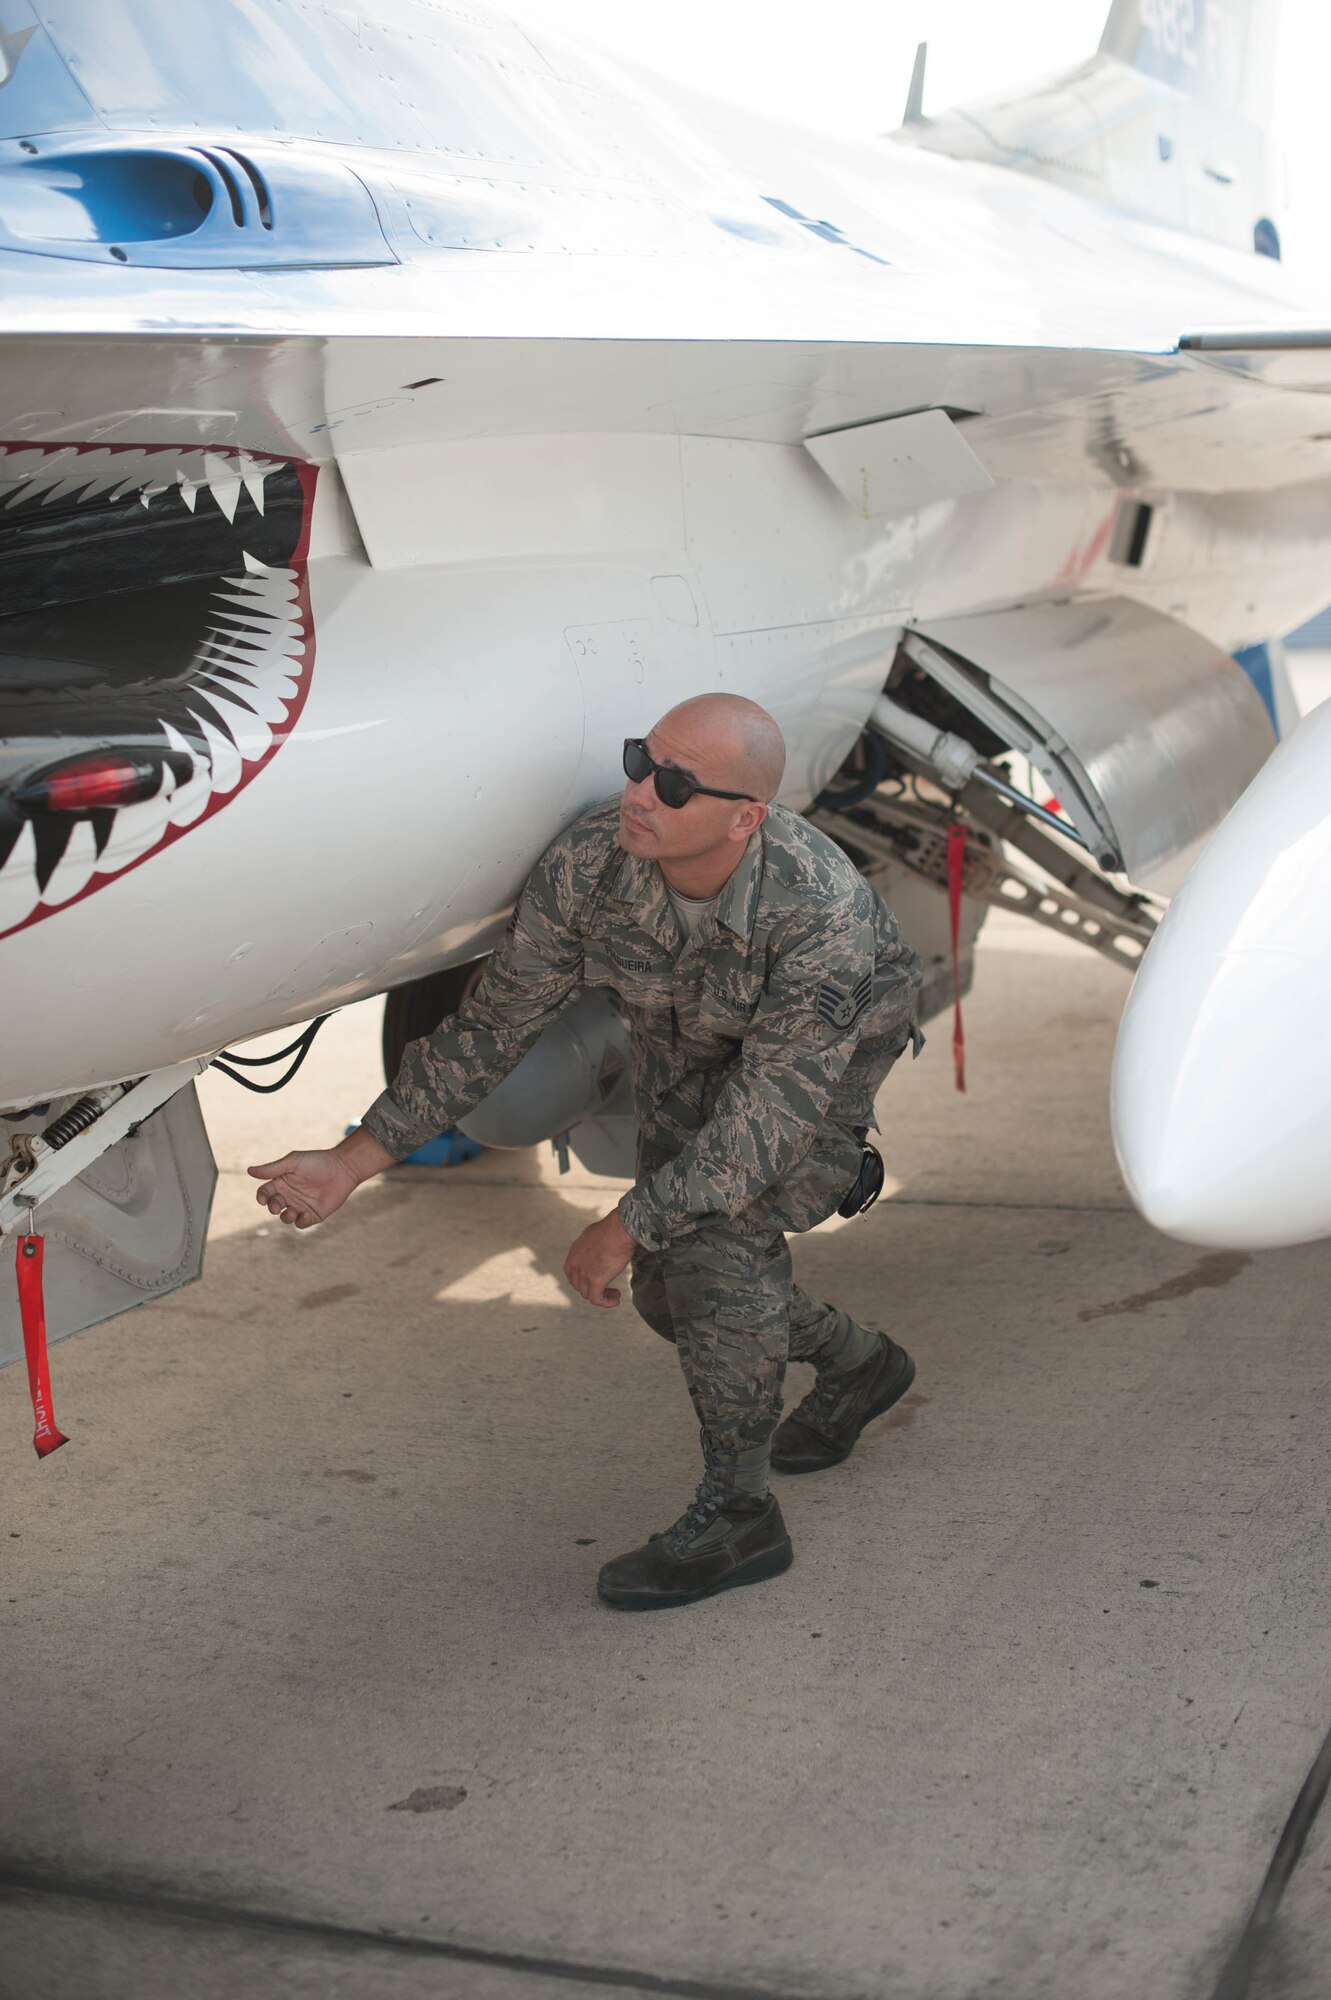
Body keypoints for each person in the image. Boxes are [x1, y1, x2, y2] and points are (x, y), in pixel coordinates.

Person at [250, 694, 923, 1611]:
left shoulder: (817, 916)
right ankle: (857, 1363)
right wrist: (353, 1160)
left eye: (675, 784)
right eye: (640, 760)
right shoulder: (591, 861)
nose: (641, 791)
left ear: (744, 817)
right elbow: (492, 1028)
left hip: (810, 1082)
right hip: (687, 1046)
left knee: (715, 1249)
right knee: (664, 1288)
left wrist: (622, 1221)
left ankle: (739, 1515)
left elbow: (755, 1136)